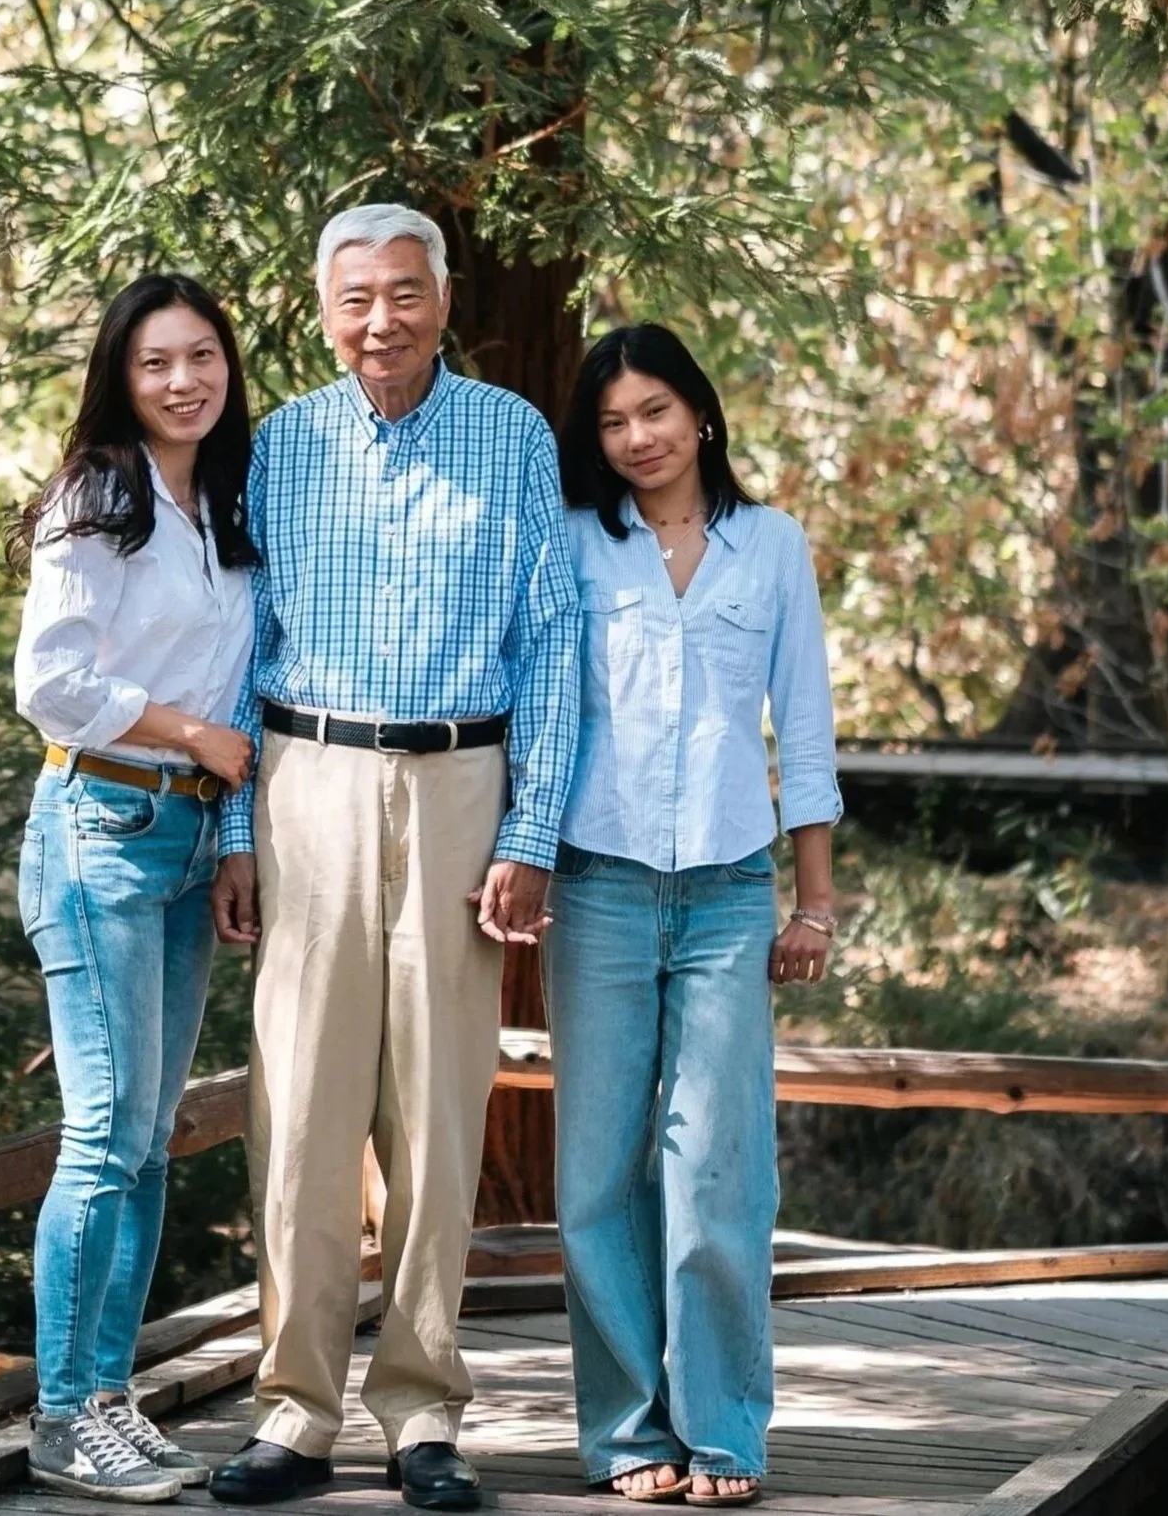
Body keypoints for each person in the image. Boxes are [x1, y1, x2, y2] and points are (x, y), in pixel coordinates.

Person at [206, 205, 581, 1511]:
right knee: (300, 1111)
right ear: (321, 306)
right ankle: (291, 1411)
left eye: (404, 293)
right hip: (306, 780)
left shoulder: (512, 435)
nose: (382, 319)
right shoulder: (278, 445)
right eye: (356, 296)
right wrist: (234, 829)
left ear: (442, 296)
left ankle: (421, 1411)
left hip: (463, 787)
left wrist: (530, 831)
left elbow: (551, 639)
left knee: (436, 1108)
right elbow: (233, 650)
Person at [547, 324, 842, 1509]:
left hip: (729, 894)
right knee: (596, 1180)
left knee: (716, 1173)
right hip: (599, 886)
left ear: (701, 415)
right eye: (614, 423)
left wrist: (814, 906)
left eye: (655, 412)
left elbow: (806, 734)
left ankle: (723, 1431)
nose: (637, 440)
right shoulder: (576, 544)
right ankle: (629, 1435)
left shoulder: (770, 547)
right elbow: (546, 715)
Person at [11, 273, 259, 1504]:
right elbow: (47, 683)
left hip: (183, 839)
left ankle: (110, 1399)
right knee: (106, 1133)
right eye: (158, 361)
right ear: (123, 373)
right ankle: (61, 1416)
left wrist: (228, 835)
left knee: (152, 1142)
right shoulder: (96, 496)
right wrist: (189, 734)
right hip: (98, 821)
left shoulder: (222, 501)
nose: (183, 381)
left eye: (203, 356)